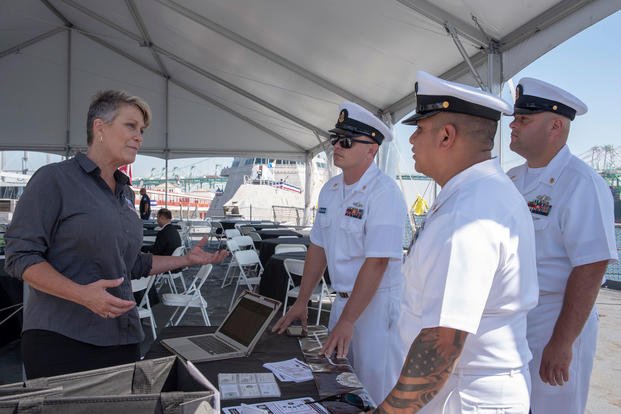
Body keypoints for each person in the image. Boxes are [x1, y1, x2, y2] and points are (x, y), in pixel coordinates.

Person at [4, 90, 228, 379]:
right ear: (100, 127)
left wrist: (187, 260)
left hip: (123, 338)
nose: (139, 137)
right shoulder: (54, 180)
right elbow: (19, 256)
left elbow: (132, 264)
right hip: (63, 341)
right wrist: (82, 295)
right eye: (131, 126)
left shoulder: (124, 192)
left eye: (142, 130)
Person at [377, 71, 539, 413]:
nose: (411, 141)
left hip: (464, 397)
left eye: (419, 130)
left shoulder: (469, 213)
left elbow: (444, 342)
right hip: (461, 391)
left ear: (446, 136)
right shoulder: (475, 195)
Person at [273, 101, 407, 403]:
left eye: (346, 140)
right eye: (336, 138)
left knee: (375, 390)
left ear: (371, 149)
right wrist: (302, 300)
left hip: (375, 308)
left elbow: (378, 261)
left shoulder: (384, 193)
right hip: (341, 304)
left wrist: (349, 321)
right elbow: (318, 247)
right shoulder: (330, 190)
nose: (337, 145)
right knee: (340, 385)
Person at [506, 78, 618, 413]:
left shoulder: (582, 183)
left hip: (555, 320)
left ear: (556, 125)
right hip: (513, 322)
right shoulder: (510, 179)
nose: (512, 124)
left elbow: (592, 264)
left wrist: (562, 341)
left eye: (524, 119)